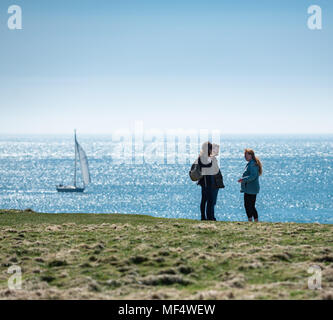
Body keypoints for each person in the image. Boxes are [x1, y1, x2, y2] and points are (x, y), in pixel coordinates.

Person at [195, 142, 221, 221]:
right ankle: (210, 217)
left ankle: (204, 216)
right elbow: (208, 167)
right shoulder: (205, 158)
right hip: (208, 182)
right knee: (210, 200)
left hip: (204, 182)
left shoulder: (201, 157)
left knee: (205, 200)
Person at [238, 148, 263, 222]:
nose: (245, 156)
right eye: (244, 155)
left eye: (246, 155)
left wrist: (243, 179)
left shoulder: (252, 164)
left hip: (251, 188)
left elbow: (253, 176)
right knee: (249, 205)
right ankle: (251, 221)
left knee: (250, 206)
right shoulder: (251, 163)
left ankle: (254, 221)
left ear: (251, 155)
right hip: (249, 188)